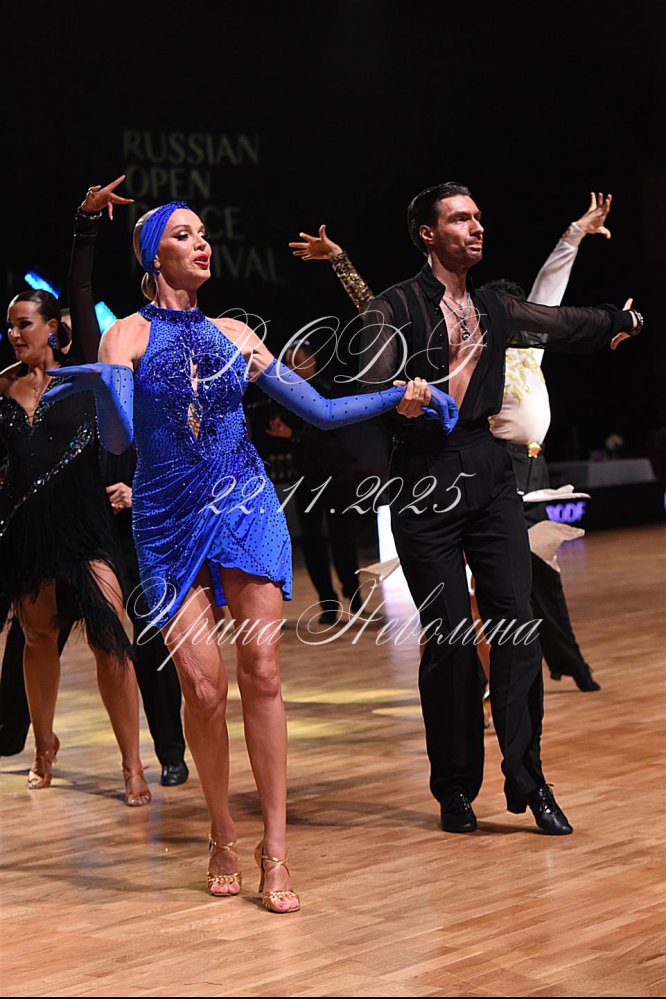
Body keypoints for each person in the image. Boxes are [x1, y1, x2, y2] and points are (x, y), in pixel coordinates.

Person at [43, 198, 459, 912]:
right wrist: (108, 388)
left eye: (205, 234)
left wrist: (400, 395)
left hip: (246, 504)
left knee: (261, 669)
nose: (202, 244)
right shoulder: (125, 336)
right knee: (204, 691)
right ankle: (222, 833)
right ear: (154, 256)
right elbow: (117, 441)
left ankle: (275, 849)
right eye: (185, 235)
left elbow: (319, 409)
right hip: (166, 520)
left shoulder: (236, 334)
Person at [347, 181, 640, 836]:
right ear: (428, 234)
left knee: (518, 628)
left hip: (488, 469)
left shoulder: (495, 305)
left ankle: (529, 779)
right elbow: (368, 385)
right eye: (460, 218)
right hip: (423, 479)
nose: (476, 226)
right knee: (451, 641)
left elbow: (560, 322)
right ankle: (454, 786)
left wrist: (622, 322)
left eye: (478, 216)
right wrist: (399, 399)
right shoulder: (394, 306)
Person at [290, 193, 612, 693]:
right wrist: (341, 261)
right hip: (484, 465)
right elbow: (379, 310)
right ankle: (472, 678)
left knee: (532, 581)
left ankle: (557, 665)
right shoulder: (460, 350)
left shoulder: (528, 351)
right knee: (470, 594)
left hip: (533, 469)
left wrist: (575, 234)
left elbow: (552, 292)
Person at [0, 194, 190, 785]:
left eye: (23, 324)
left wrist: (85, 225)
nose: (13, 334)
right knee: (36, 639)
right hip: (30, 529)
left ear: (53, 329)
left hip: (88, 525)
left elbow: (81, 291)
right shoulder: (2, 389)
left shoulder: (84, 371)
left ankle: (135, 763)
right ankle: (44, 748)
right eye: (8, 326)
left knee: (114, 639)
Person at [265, 341, 363, 624]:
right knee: (312, 541)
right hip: (305, 478)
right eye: (288, 363)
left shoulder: (328, 389)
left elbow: (332, 434)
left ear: (312, 362)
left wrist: (294, 436)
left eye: (297, 361)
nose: (292, 367)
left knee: (343, 537)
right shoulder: (283, 395)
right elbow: (272, 429)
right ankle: (327, 602)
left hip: (335, 476)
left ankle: (353, 590)